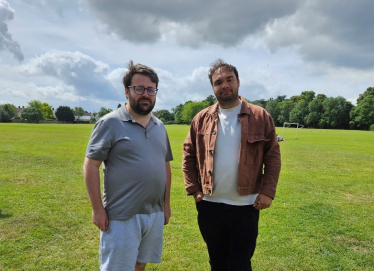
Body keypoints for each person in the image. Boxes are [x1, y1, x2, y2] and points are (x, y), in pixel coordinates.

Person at [182, 59, 281, 271]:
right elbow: (188, 154)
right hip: (210, 205)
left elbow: (272, 157)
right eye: (218, 82)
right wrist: (194, 189)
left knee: (240, 263)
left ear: (238, 82)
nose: (224, 85)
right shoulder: (201, 119)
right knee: (217, 262)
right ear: (213, 87)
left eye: (229, 79)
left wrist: (267, 192)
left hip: (246, 205)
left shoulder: (260, 116)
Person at [83, 61, 173, 271]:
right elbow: (90, 166)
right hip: (122, 215)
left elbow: (165, 167)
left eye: (151, 89)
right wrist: (97, 209)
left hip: (154, 213)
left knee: (140, 263)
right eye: (139, 88)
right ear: (127, 91)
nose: (145, 94)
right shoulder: (109, 123)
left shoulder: (159, 126)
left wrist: (166, 205)